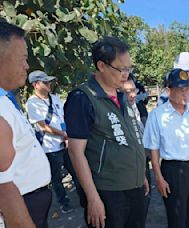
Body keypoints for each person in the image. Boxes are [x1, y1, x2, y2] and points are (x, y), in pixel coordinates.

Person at [64, 36, 148, 228]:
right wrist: (93, 197)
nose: (126, 74)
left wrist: (140, 173)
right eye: (122, 69)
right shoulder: (82, 98)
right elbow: (75, 152)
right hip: (108, 191)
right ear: (101, 65)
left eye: (129, 68)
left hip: (134, 186)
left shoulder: (122, 96)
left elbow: (130, 137)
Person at [143, 68, 189, 228]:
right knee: (178, 217)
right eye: (181, 89)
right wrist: (159, 178)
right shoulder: (157, 116)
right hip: (173, 170)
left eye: (188, 89)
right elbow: (153, 152)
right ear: (168, 90)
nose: (186, 93)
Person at [0, 21, 51, 228]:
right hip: (20, 208)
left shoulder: (5, 100)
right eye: (23, 58)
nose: (27, 66)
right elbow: (3, 188)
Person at [26, 70, 73, 214]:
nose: (49, 84)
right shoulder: (32, 103)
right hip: (50, 147)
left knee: (75, 170)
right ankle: (63, 203)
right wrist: (63, 135)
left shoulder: (55, 98)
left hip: (64, 142)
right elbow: (43, 126)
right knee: (56, 177)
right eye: (45, 82)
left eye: (49, 82)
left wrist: (66, 135)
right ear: (35, 84)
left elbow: (62, 118)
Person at [121, 76, 152, 220]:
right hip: (128, 163)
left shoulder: (139, 107)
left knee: (146, 197)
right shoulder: (118, 112)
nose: (132, 95)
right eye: (127, 92)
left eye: (133, 91)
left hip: (143, 158)